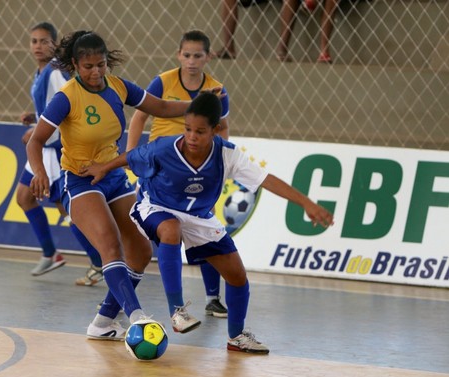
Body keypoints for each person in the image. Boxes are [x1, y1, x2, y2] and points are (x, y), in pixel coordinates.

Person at [79, 91, 334, 353]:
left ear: (215, 130)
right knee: (171, 229)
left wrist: (306, 202)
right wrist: (104, 167)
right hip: (155, 206)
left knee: (237, 276)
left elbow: (266, 180)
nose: (191, 137)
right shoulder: (164, 148)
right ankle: (177, 311)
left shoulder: (228, 155)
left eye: (200, 132)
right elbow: (130, 157)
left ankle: (236, 337)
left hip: (199, 217)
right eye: (188, 129)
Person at [26, 30, 197, 340]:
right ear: (75, 65)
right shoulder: (66, 97)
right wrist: (39, 172)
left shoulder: (118, 87)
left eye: (101, 65)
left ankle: (103, 322)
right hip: (80, 179)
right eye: (88, 66)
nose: (95, 73)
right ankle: (137, 317)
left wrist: (197, 104)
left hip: (114, 177)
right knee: (109, 244)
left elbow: (160, 107)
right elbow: (35, 141)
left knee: (142, 250)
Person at [127, 30, 230, 328]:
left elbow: (221, 128)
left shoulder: (216, 89)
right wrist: (132, 152)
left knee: (204, 228)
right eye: (187, 55)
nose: (192, 60)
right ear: (178, 56)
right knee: (146, 237)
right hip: (160, 166)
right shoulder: (163, 81)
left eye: (198, 55)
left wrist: (217, 163)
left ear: (208, 57)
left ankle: (212, 297)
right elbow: (140, 116)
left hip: (195, 167)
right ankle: (119, 298)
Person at [17, 22, 104, 285]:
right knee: (24, 198)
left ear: (54, 44)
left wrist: (37, 132)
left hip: (53, 149)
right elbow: (53, 106)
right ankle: (51, 253)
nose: (38, 46)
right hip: (43, 148)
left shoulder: (55, 71)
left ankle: (99, 261)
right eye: (34, 41)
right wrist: (36, 118)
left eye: (44, 41)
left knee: (67, 209)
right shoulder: (41, 71)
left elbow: (70, 103)